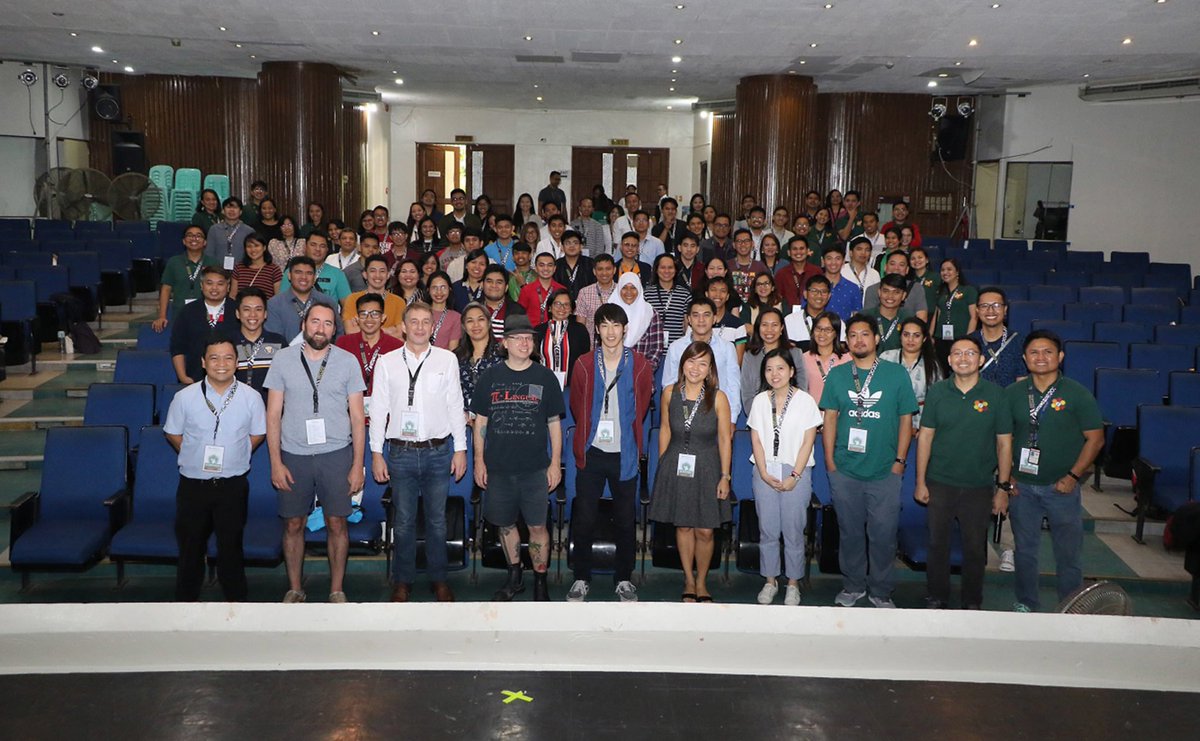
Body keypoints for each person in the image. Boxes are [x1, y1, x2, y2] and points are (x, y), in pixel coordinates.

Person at [264, 303, 367, 604]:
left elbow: (358, 417)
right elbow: (272, 416)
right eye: (315, 322)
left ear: (335, 329)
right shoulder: (282, 360)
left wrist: (357, 464)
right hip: (293, 454)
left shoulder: (348, 362)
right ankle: (295, 587)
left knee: (337, 523)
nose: (320, 328)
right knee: (293, 523)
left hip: (336, 453)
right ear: (303, 325)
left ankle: (337, 589)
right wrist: (275, 463)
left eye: (327, 323)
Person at [369, 301, 468, 603]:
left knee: (437, 520)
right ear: (403, 326)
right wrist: (376, 452)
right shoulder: (387, 362)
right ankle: (403, 580)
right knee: (404, 521)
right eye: (414, 321)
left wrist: (460, 449)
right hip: (400, 453)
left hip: (438, 451)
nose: (420, 327)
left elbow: (455, 404)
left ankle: (439, 579)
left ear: (432, 326)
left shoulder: (446, 359)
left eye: (426, 322)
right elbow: (379, 408)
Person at [820, 314, 918, 609]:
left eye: (865, 334)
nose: (858, 339)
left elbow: (906, 420)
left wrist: (900, 461)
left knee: (883, 535)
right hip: (845, 469)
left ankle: (881, 590)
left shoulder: (896, 374)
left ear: (877, 339)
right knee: (850, 533)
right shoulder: (838, 374)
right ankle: (852, 585)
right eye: (852, 335)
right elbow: (830, 419)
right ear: (846, 341)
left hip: (885, 470)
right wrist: (831, 464)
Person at [1004, 330, 1104, 613]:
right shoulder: (1013, 393)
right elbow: (1002, 439)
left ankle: (1071, 605)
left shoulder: (1076, 393)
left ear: (1060, 356)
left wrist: (1073, 476)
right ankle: (1026, 604)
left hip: (1063, 487)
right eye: (1034, 352)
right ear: (1024, 359)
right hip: (1022, 486)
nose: (1041, 357)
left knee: (1068, 554)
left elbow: (1095, 439)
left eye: (1048, 351)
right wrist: (1006, 477)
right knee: (1025, 551)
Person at [163, 334, 266, 602]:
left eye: (228, 357)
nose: (222, 363)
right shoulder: (184, 397)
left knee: (231, 550)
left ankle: (236, 607)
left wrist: (237, 453)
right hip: (193, 486)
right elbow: (173, 433)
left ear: (237, 362)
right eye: (214, 358)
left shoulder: (252, 398)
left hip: (232, 486)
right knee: (190, 551)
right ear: (203, 362)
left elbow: (257, 435)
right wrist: (194, 454)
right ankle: (184, 607)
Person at [471, 313, 565, 601]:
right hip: (499, 468)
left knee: (537, 526)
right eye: (518, 338)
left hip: (535, 468)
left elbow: (554, 424)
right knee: (505, 524)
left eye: (529, 338)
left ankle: (539, 580)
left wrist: (555, 463)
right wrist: (479, 461)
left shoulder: (545, 377)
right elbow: (481, 423)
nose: (525, 343)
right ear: (505, 343)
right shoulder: (490, 377)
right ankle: (514, 577)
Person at [915, 335, 1013, 610]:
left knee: (974, 548)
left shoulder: (996, 395)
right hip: (940, 482)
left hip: (978, 486)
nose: (963, 358)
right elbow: (925, 438)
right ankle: (937, 595)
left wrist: (1002, 488)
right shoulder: (937, 393)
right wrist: (920, 481)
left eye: (970, 353)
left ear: (981, 360)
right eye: (957, 353)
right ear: (949, 361)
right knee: (937, 545)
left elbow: (1005, 443)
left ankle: (972, 600)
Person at [566, 303, 654, 603]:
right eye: (604, 325)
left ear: (625, 328)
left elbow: (640, 406)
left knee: (625, 519)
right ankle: (581, 577)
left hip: (624, 452)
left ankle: (624, 580)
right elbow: (577, 405)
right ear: (597, 329)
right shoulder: (584, 364)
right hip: (592, 451)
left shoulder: (640, 364)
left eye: (616, 325)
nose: (611, 331)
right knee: (585, 518)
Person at [649, 341, 733, 602]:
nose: (695, 368)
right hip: (675, 464)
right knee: (683, 526)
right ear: (682, 363)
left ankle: (702, 581)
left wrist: (725, 476)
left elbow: (724, 440)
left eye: (702, 363)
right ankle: (688, 578)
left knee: (706, 530)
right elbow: (664, 429)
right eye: (691, 361)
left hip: (708, 466)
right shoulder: (669, 393)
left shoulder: (718, 397)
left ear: (710, 370)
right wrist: (663, 463)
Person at [748, 348, 822, 606]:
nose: (774, 374)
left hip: (795, 471)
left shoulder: (805, 401)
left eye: (780, 368)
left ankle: (793, 583)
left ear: (791, 371)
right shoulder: (760, 401)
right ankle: (770, 580)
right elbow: (755, 439)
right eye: (769, 369)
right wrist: (764, 472)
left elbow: (807, 442)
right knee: (767, 530)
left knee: (793, 531)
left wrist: (795, 475)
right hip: (764, 470)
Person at [663, 298, 742, 423]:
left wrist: (731, 419)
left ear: (714, 318)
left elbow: (733, 385)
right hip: (683, 414)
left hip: (718, 413)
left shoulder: (727, 348)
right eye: (696, 315)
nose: (701, 320)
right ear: (689, 319)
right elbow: (669, 384)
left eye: (706, 315)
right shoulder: (676, 347)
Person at [335, 292, 404, 423]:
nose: (369, 319)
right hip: (349, 418)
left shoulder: (397, 347)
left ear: (383, 317)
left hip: (386, 419)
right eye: (364, 314)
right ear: (357, 318)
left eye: (375, 314)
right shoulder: (343, 344)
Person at [169, 266, 240, 384]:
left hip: (232, 379)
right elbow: (177, 347)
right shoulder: (188, 311)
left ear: (228, 287)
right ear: (202, 286)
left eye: (220, 284)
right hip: (195, 379)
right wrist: (183, 377)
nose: (214, 288)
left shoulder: (237, 310)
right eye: (209, 283)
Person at [152, 225, 221, 332]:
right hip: (180, 313)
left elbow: (221, 290)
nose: (194, 238)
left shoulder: (213, 263)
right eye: (190, 235)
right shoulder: (174, 262)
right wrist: (162, 316)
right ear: (184, 241)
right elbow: (166, 289)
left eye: (199, 236)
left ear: (205, 242)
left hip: (207, 314)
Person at [881, 317, 944, 431]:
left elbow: (938, 400)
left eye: (916, 335)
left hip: (921, 420)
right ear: (900, 337)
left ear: (924, 338)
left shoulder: (932, 364)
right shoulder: (886, 357)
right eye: (906, 335)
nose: (910, 339)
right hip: (888, 416)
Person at [740, 307, 806, 415]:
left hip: (791, 415)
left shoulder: (795, 353)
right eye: (764, 325)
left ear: (782, 328)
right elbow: (747, 393)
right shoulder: (750, 356)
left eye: (774, 325)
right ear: (758, 328)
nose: (769, 330)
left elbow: (802, 388)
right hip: (760, 417)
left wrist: (788, 415)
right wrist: (757, 417)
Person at [264, 256, 343, 343]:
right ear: (289, 276)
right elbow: (273, 340)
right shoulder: (274, 305)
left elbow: (338, 335)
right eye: (298, 272)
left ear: (314, 277)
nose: (304, 277)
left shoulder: (328, 303)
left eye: (309, 273)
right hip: (285, 355)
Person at [232, 287, 286, 402]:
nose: (253, 314)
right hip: (235, 410)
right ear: (237, 313)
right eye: (246, 309)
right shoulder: (228, 344)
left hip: (270, 411)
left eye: (258, 309)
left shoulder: (279, 342)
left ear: (265, 314)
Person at [608, 272, 666, 371]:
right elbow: (599, 345)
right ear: (618, 290)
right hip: (611, 373)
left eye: (633, 288)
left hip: (642, 373)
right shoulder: (608, 312)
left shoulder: (650, 313)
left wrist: (641, 372)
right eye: (624, 287)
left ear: (639, 289)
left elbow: (656, 349)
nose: (629, 292)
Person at [534, 289, 590, 389]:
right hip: (541, 385)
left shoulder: (580, 331)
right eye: (557, 304)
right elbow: (533, 361)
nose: (562, 308)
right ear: (550, 307)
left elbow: (585, 361)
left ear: (572, 309)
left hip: (572, 387)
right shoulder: (538, 331)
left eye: (566, 304)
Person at [970, 287, 1024, 389]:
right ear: (977, 310)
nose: (990, 310)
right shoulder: (968, 342)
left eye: (996, 305)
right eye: (984, 306)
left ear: (1005, 309)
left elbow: (1022, 383)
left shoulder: (1020, 341)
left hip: (1009, 400)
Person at [455, 302, 504, 413]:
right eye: (470, 321)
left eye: (481, 319)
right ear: (463, 326)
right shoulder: (455, 357)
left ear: (489, 323)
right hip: (462, 421)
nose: (476, 325)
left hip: (495, 419)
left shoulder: (503, 355)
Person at [279, 233, 352, 305]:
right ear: (305, 247)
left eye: (322, 246)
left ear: (327, 249)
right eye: (313, 245)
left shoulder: (337, 273)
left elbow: (348, 306)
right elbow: (282, 302)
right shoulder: (292, 271)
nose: (318, 249)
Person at [343, 254, 405, 339]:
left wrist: (363, 328)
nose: (377, 275)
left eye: (382, 271)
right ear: (365, 274)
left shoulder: (399, 302)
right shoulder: (352, 299)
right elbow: (350, 331)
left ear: (388, 275)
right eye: (373, 271)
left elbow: (400, 334)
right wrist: (387, 330)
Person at [932, 259, 978, 365]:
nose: (945, 272)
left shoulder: (969, 290)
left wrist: (968, 338)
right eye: (942, 270)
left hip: (960, 336)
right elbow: (936, 315)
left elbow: (974, 317)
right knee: (941, 368)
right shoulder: (941, 292)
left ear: (957, 272)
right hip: (941, 337)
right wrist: (931, 336)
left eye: (949, 269)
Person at [862, 249, 929, 321]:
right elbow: (868, 319)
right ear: (885, 267)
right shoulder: (872, 289)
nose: (896, 268)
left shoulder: (916, 288)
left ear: (907, 270)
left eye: (901, 265)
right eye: (892, 264)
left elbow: (922, 318)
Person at [801, 311, 851, 404]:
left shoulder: (847, 359)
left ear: (836, 333)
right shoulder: (803, 359)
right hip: (812, 414)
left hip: (839, 414)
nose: (822, 334)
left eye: (828, 330)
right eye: (818, 328)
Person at [644, 254, 693, 350]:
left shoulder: (685, 294)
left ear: (675, 270)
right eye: (662, 267)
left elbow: (687, 325)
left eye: (670, 267)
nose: (667, 271)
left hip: (677, 350)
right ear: (656, 270)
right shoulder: (647, 294)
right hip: (652, 349)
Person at [861, 274, 912, 354]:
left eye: (896, 292)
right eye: (886, 291)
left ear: (903, 296)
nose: (890, 296)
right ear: (879, 292)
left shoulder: (909, 318)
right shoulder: (864, 317)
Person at [705, 276, 748, 363]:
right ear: (706, 294)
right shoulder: (698, 322)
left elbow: (738, 363)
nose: (718, 294)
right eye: (713, 290)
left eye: (723, 291)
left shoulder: (738, 325)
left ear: (727, 296)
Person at [517, 252, 567, 325]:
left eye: (549, 265)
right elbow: (519, 315)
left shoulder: (562, 290)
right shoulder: (526, 290)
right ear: (536, 268)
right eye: (541, 265)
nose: (545, 268)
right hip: (532, 333)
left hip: (554, 332)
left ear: (554, 268)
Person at [575, 253, 618, 339]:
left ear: (614, 270)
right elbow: (580, 326)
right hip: (592, 346)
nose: (604, 273)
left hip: (617, 345)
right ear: (594, 271)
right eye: (600, 269)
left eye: (608, 269)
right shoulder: (584, 293)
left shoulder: (622, 291)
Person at [206, 197, 255, 269]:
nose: (232, 210)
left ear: (240, 211)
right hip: (218, 272)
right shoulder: (214, 229)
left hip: (242, 271)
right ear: (223, 211)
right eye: (228, 207)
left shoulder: (249, 231)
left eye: (235, 207)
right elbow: (209, 253)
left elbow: (253, 254)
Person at [230, 233, 282, 300]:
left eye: (256, 246)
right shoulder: (238, 268)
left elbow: (278, 297)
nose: (253, 249)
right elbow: (233, 295)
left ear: (264, 248)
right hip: (242, 309)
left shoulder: (274, 269)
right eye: (249, 246)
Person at [480, 264, 525, 341]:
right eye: (489, 281)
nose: (494, 285)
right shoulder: (473, 308)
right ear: (482, 285)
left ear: (506, 287)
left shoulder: (517, 311)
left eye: (499, 282)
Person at [776, 236, 823, 308]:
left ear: (807, 251)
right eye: (795, 249)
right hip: (787, 315)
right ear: (789, 252)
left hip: (812, 314)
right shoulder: (781, 274)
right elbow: (777, 298)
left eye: (802, 248)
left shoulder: (817, 272)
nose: (798, 252)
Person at [726, 229, 769, 305]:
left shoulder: (760, 266)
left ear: (752, 244)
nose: (743, 244)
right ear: (734, 245)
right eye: (739, 241)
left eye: (746, 241)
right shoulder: (726, 265)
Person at [820, 244, 863, 322]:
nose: (833, 262)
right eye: (829, 258)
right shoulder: (814, 285)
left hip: (844, 332)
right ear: (823, 261)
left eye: (838, 258)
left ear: (843, 262)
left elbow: (857, 317)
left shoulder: (853, 288)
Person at [424, 271, 462, 351]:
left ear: (450, 289)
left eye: (443, 287)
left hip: (444, 361)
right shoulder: (421, 313)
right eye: (434, 288)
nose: (439, 292)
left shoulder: (456, 317)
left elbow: (453, 349)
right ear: (428, 290)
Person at [553, 230, 595, 299]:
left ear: (581, 246)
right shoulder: (556, 265)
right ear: (562, 247)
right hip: (563, 306)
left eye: (575, 243)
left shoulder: (590, 263)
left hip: (586, 304)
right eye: (568, 243)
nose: (572, 246)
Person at [841, 236, 881, 302]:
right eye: (859, 249)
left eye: (867, 250)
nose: (863, 253)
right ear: (850, 253)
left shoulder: (874, 274)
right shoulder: (841, 270)